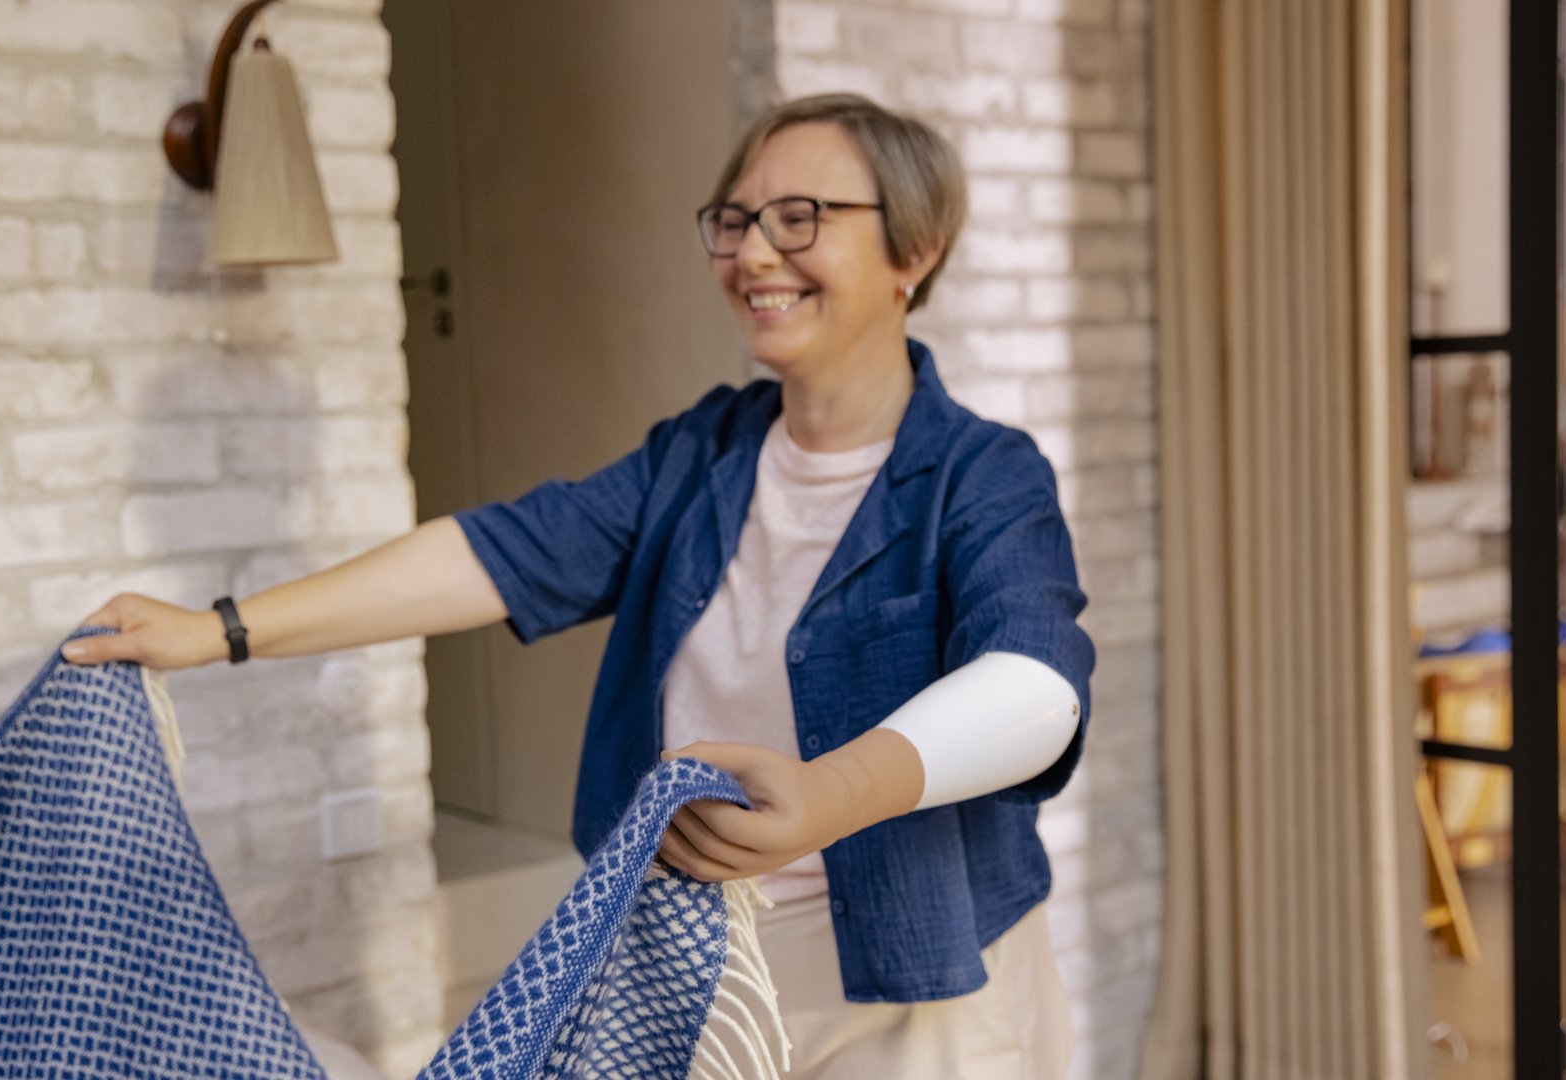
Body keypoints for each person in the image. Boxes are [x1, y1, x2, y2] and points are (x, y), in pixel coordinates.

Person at [68, 93, 1094, 1079]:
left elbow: (1037, 686)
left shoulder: (983, 474)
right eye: (734, 221)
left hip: (924, 982)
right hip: (704, 964)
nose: (751, 253)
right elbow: (499, 554)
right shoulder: (702, 452)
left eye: (799, 218)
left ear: (915, 253)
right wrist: (217, 631)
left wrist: (834, 792)